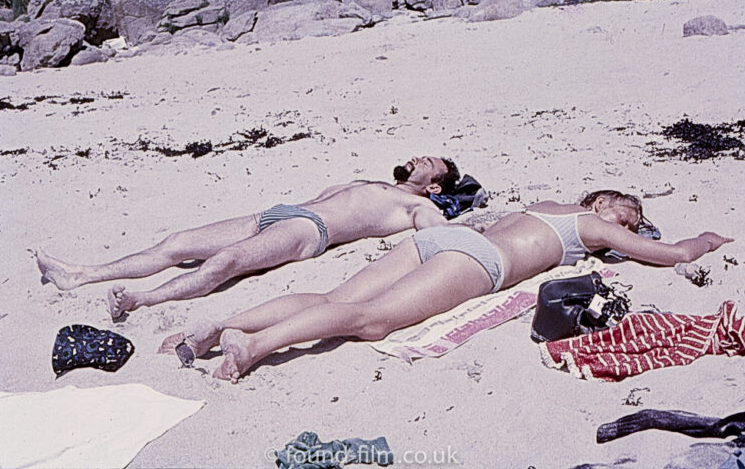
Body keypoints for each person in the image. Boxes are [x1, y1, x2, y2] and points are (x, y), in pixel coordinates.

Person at [158, 190, 733, 383]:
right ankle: (253, 347)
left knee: (339, 299)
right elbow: (675, 254)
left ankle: (221, 324)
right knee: (371, 320)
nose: (627, 228)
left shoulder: (542, 205)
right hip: (475, 259)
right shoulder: (593, 223)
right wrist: (710, 235)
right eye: (628, 215)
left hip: (442, 241)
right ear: (602, 202)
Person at [35, 156, 461, 319]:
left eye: (428, 163)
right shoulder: (371, 180)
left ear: (435, 186)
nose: (417, 158)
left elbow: (437, 242)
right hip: (280, 212)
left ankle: (141, 299)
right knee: (176, 243)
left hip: (309, 231)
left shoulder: (420, 206)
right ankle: (80, 274)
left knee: (225, 263)